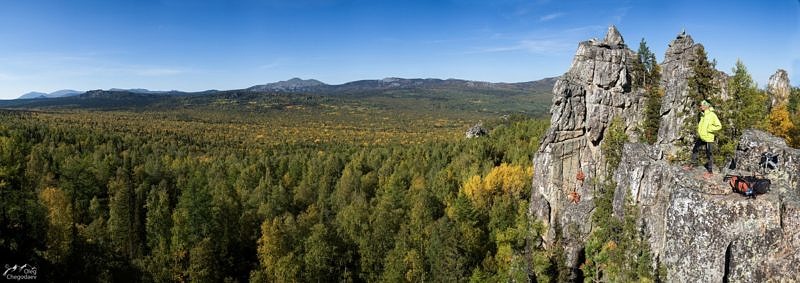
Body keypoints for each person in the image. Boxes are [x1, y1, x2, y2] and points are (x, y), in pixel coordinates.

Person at [685, 99, 722, 178]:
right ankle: (692, 164)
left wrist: (709, 129)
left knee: (709, 154)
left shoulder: (712, 115)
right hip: (702, 137)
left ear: (706, 106)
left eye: (702, 105)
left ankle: (710, 172)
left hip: (708, 138)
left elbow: (719, 126)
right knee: (695, 149)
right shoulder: (702, 114)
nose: (700, 106)